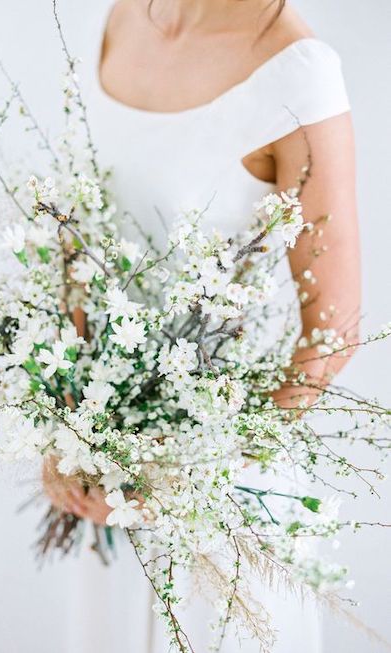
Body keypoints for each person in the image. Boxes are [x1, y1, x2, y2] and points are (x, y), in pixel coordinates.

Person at [44, 1, 359, 650]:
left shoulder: (298, 71)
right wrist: (68, 430)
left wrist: (175, 480)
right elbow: (73, 240)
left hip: (219, 507)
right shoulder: (108, 19)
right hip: (104, 501)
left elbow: (333, 331)